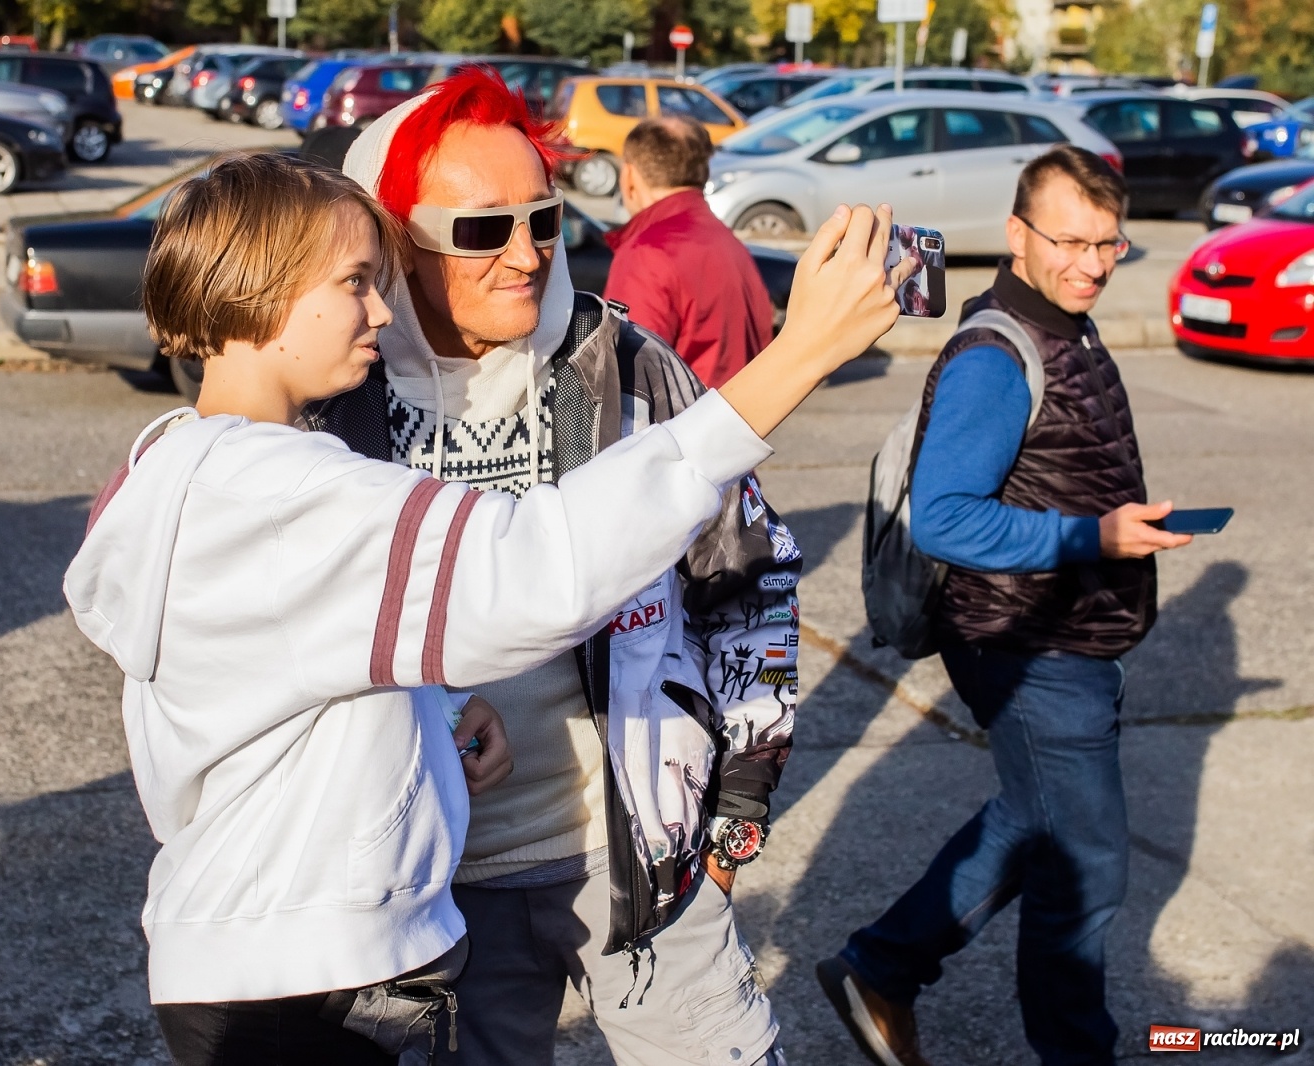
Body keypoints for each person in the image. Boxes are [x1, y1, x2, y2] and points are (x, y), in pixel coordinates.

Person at [64, 151, 911, 1065]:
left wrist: (429, 715)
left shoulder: (177, 467)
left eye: (542, 217)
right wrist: (804, 351)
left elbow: (284, 672)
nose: (380, 310)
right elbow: (539, 569)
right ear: (262, 293)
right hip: (309, 979)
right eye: (355, 282)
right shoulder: (293, 494)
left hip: (236, 951)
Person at [318, 67, 812, 1066]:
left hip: (640, 859)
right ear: (393, 240)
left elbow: (749, 578)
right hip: (431, 891)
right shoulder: (337, 405)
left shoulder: (623, 370)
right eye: (480, 229)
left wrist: (733, 813)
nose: (525, 254)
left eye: (541, 218)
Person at [815, 145, 1192, 1066]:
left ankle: (881, 967)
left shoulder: (1068, 321)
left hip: (1062, 633)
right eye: (1070, 240)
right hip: (1024, 644)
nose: (1093, 264)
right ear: (1017, 236)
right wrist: (1094, 539)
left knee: (1037, 818)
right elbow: (944, 520)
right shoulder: (997, 353)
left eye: (1110, 244)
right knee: (1087, 867)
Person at [602, 115, 775, 387]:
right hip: (733, 419)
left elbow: (626, 379)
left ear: (630, 176)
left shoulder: (646, 253)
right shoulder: (726, 242)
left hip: (680, 424)